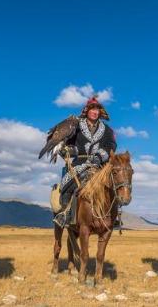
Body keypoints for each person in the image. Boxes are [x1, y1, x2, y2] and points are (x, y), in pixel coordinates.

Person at [52, 96, 116, 227]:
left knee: (114, 184)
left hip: (100, 165)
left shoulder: (108, 130)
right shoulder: (76, 126)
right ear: (87, 111)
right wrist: (67, 150)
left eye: (97, 109)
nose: (95, 112)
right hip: (79, 164)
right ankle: (65, 214)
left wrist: (99, 156)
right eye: (92, 109)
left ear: (100, 112)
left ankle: (114, 215)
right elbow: (68, 143)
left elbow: (112, 146)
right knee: (66, 183)